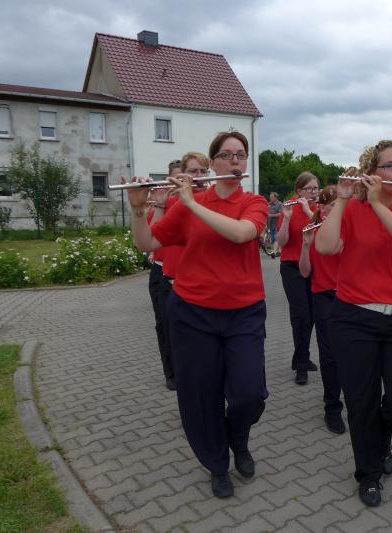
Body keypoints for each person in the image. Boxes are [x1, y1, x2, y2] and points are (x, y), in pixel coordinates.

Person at [124, 131, 269, 500]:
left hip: (243, 313)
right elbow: (147, 243)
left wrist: (190, 202)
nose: (235, 161)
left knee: (249, 393)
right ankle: (217, 464)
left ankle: (238, 439)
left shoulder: (253, 202)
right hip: (192, 314)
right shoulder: (187, 205)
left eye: (241, 155)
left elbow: (241, 234)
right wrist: (138, 209)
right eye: (227, 155)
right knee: (201, 396)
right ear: (213, 161)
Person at [315, 140, 392, 507]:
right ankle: (368, 473)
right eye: (389, 166)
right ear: (371, 171)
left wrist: (378, 204)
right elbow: (325, 247)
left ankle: (379, 439)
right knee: (361, 402)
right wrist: (343, 200)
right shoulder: (353, 208)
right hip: (354, 317)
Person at [146, 154, 212, 390]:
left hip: (197, 277)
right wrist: (157, 205)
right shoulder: (167, 205)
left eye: (201, 173)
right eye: (176, 179)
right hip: (166, 274)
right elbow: (150, 239)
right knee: (167, 328)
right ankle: (173, 374)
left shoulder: (204, 201)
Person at [298, 185, 345, 434]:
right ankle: (332, 407)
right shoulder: (315, 231)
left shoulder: (350, 228)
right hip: (324, 296)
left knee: (353, 353)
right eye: (333, 206)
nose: (339, 209)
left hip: (351, 297)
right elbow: (305, 272)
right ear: (323, 209)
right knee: (329, 355)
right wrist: (306, 245)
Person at [277, 172, 320, 385]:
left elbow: (323, 233)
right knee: (301, 315)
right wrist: (286, 219)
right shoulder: (289, 208)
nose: (314, 192)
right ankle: (301, 365)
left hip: (314, 267)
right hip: (291, 267)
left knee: (311, 316)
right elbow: (282, 242)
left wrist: (309, 211)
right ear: (299, 191)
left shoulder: (318, 209)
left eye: (316, 188)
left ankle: (301, 357)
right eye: (309, 189)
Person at [266, 192, 282, 257]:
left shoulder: (279, 204)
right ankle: (276, 251)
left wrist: (271, 215)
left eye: (272, 197)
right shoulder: (269, 204)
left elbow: (281, 214)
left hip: (277, 224)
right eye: (270, 197)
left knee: (276, 238)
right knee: (272, 239)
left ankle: (274, 252)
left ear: (276, 197)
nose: (270, 198)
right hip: (269, 225)